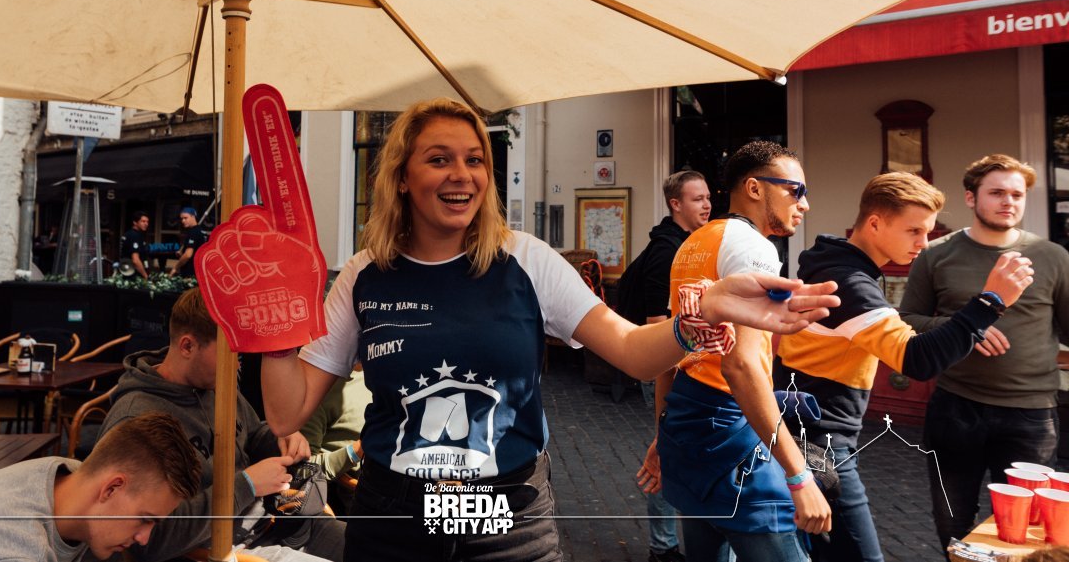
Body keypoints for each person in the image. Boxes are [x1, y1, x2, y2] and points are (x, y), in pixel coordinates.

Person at [256, 99, 840, 562]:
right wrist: (269, 322)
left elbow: (632, 352)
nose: (462, 174)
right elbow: (286, 414)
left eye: (475, 159)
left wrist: (703, 313)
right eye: (438, 159)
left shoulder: (527, 260)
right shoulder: (363, 275)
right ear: (402, 177)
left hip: (507, 516)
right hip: (395, 518)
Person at [774, 172, 1033, 562]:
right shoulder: (851, 283)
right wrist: (990, 302)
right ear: (875, 223)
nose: (923, 243)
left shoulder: (837, 264)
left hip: (806, 433)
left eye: (927, 232)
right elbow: (916, 359)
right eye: (914, 230)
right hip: (821, 443)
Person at [652, 140, 826, 562]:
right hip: (730, 428)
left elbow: (670, 349)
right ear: (754, 188)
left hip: (688, 423)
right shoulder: (753, 247)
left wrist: (662, 434)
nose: (804, 204)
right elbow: (742, 365)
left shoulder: (693, 242)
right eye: (796, 191)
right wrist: (799, 475)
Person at [899, 154, 1069, 553]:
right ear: (971, 198)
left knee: (1024, 531)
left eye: (1017, 194)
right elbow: (906, 320)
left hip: (1031, 413)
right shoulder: (936, 254)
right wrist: (964, 327)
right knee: (952, 521)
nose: (1008, 201)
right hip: (956, 407)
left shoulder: (1052, 257)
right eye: (997, 192)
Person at [99, 287, 343, 562]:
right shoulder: (136, 420)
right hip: (225, 549)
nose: (236, 366)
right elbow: (148, 540)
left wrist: (279, 438)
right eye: (230, 355)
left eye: (239, 356)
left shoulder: (216, 385)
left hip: (274, 521)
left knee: (369, 545)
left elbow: (251, 434)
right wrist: (247, 485)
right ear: (187, 346)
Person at [0, 411, 200, 561]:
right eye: (145, 518)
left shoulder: (68, 477)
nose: (144, 538)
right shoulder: (14, 545)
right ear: (111, 488)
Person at [617, 170, 711, 562]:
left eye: (708, 197)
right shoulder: (667, 251)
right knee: (667, 452)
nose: (707, 205)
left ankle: (670, 543)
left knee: (674, 451)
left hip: (683, 365)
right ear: (676, 204)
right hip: (667, 369)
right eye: (697, 199)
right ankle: (663, 546)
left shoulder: (688, 244)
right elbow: (658, 326)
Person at [300, 365, 371, 515]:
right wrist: (356, 451)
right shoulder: (316, 388)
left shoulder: (386, 367)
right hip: (373, 494)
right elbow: (303, 470)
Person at [171, 206, 207, 279]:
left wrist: (175, 267)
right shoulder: (202, 231)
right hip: (199, 271)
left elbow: (188, 255)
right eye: (182, 219)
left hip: (190, 273)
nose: (183, 221)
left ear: (193, 217)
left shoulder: (193, 232)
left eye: (185, 218)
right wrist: (182, 253)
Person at [121, 210, 151, 279]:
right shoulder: (134, 236)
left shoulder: (130, 234)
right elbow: (135, 260)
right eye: (143, 221)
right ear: (135, 222)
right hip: (132, 275)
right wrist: (145, 276)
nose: (146, 224)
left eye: (147, 222)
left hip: (127, 271)